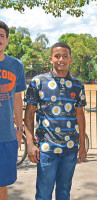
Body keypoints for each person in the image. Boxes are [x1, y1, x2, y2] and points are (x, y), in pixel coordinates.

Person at [24, 42, 87, 200]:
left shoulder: (77, 85)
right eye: (57, 56)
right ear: (51, 58)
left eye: (65, 56)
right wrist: (30, 144)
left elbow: (80, 115)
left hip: (70, 149)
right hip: (46, 150)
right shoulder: (38, 82)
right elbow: (29, 114)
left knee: (64, 192)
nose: (61, 59)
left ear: (70, 59)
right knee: (43, 194)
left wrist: (83, 146)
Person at [0, 21, 26, 200]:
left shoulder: (16, 65)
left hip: (6, 135)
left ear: (7, 40)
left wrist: (19, 128)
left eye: (1, 36)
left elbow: (18, 99)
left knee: (2, 184)